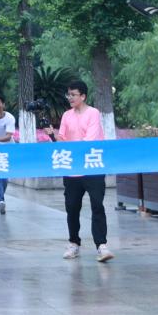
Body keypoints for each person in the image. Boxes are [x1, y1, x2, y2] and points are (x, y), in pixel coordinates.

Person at [58, 80, 111, 262]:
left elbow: (89, 140)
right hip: (72, 169)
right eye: (69, 94)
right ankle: (73, 243)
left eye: (73, 94)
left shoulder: (93, 113)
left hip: (92, 166)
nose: (70, 98)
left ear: (83, 96)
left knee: (97, 205)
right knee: (72, 208)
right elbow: (61, 139)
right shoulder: (66, 115)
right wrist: (53, 136)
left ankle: (101, 246)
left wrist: (70, 146)